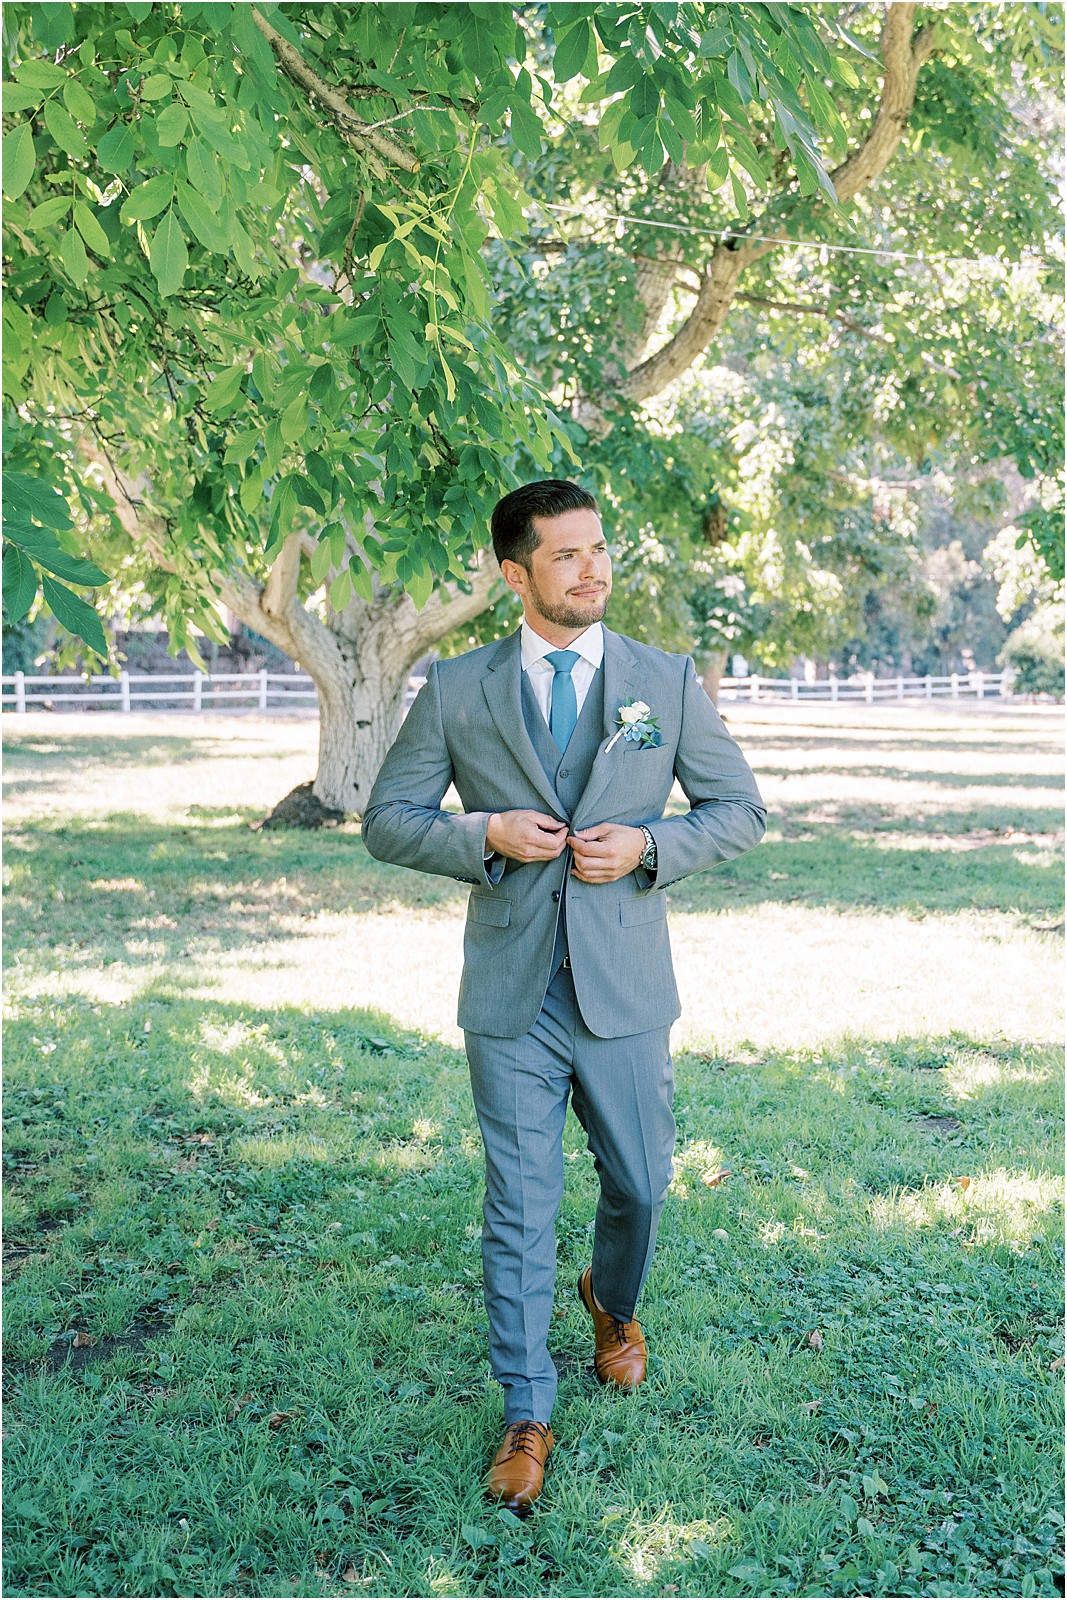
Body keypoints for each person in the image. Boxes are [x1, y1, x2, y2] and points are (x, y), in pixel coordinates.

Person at [361, 480, 766, 1514]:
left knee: (638, 1182)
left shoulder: (661, 682)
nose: (591, 570)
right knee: (519, 1202)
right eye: (565, 556)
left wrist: (651, 848)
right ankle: (525, 1411)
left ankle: (611, 1302)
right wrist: (479, 835)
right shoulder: (457, 689)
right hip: (510, 990)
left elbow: (738, 808)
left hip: (623, 985)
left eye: (598, 550)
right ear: (514, 574)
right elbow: (389, 819)